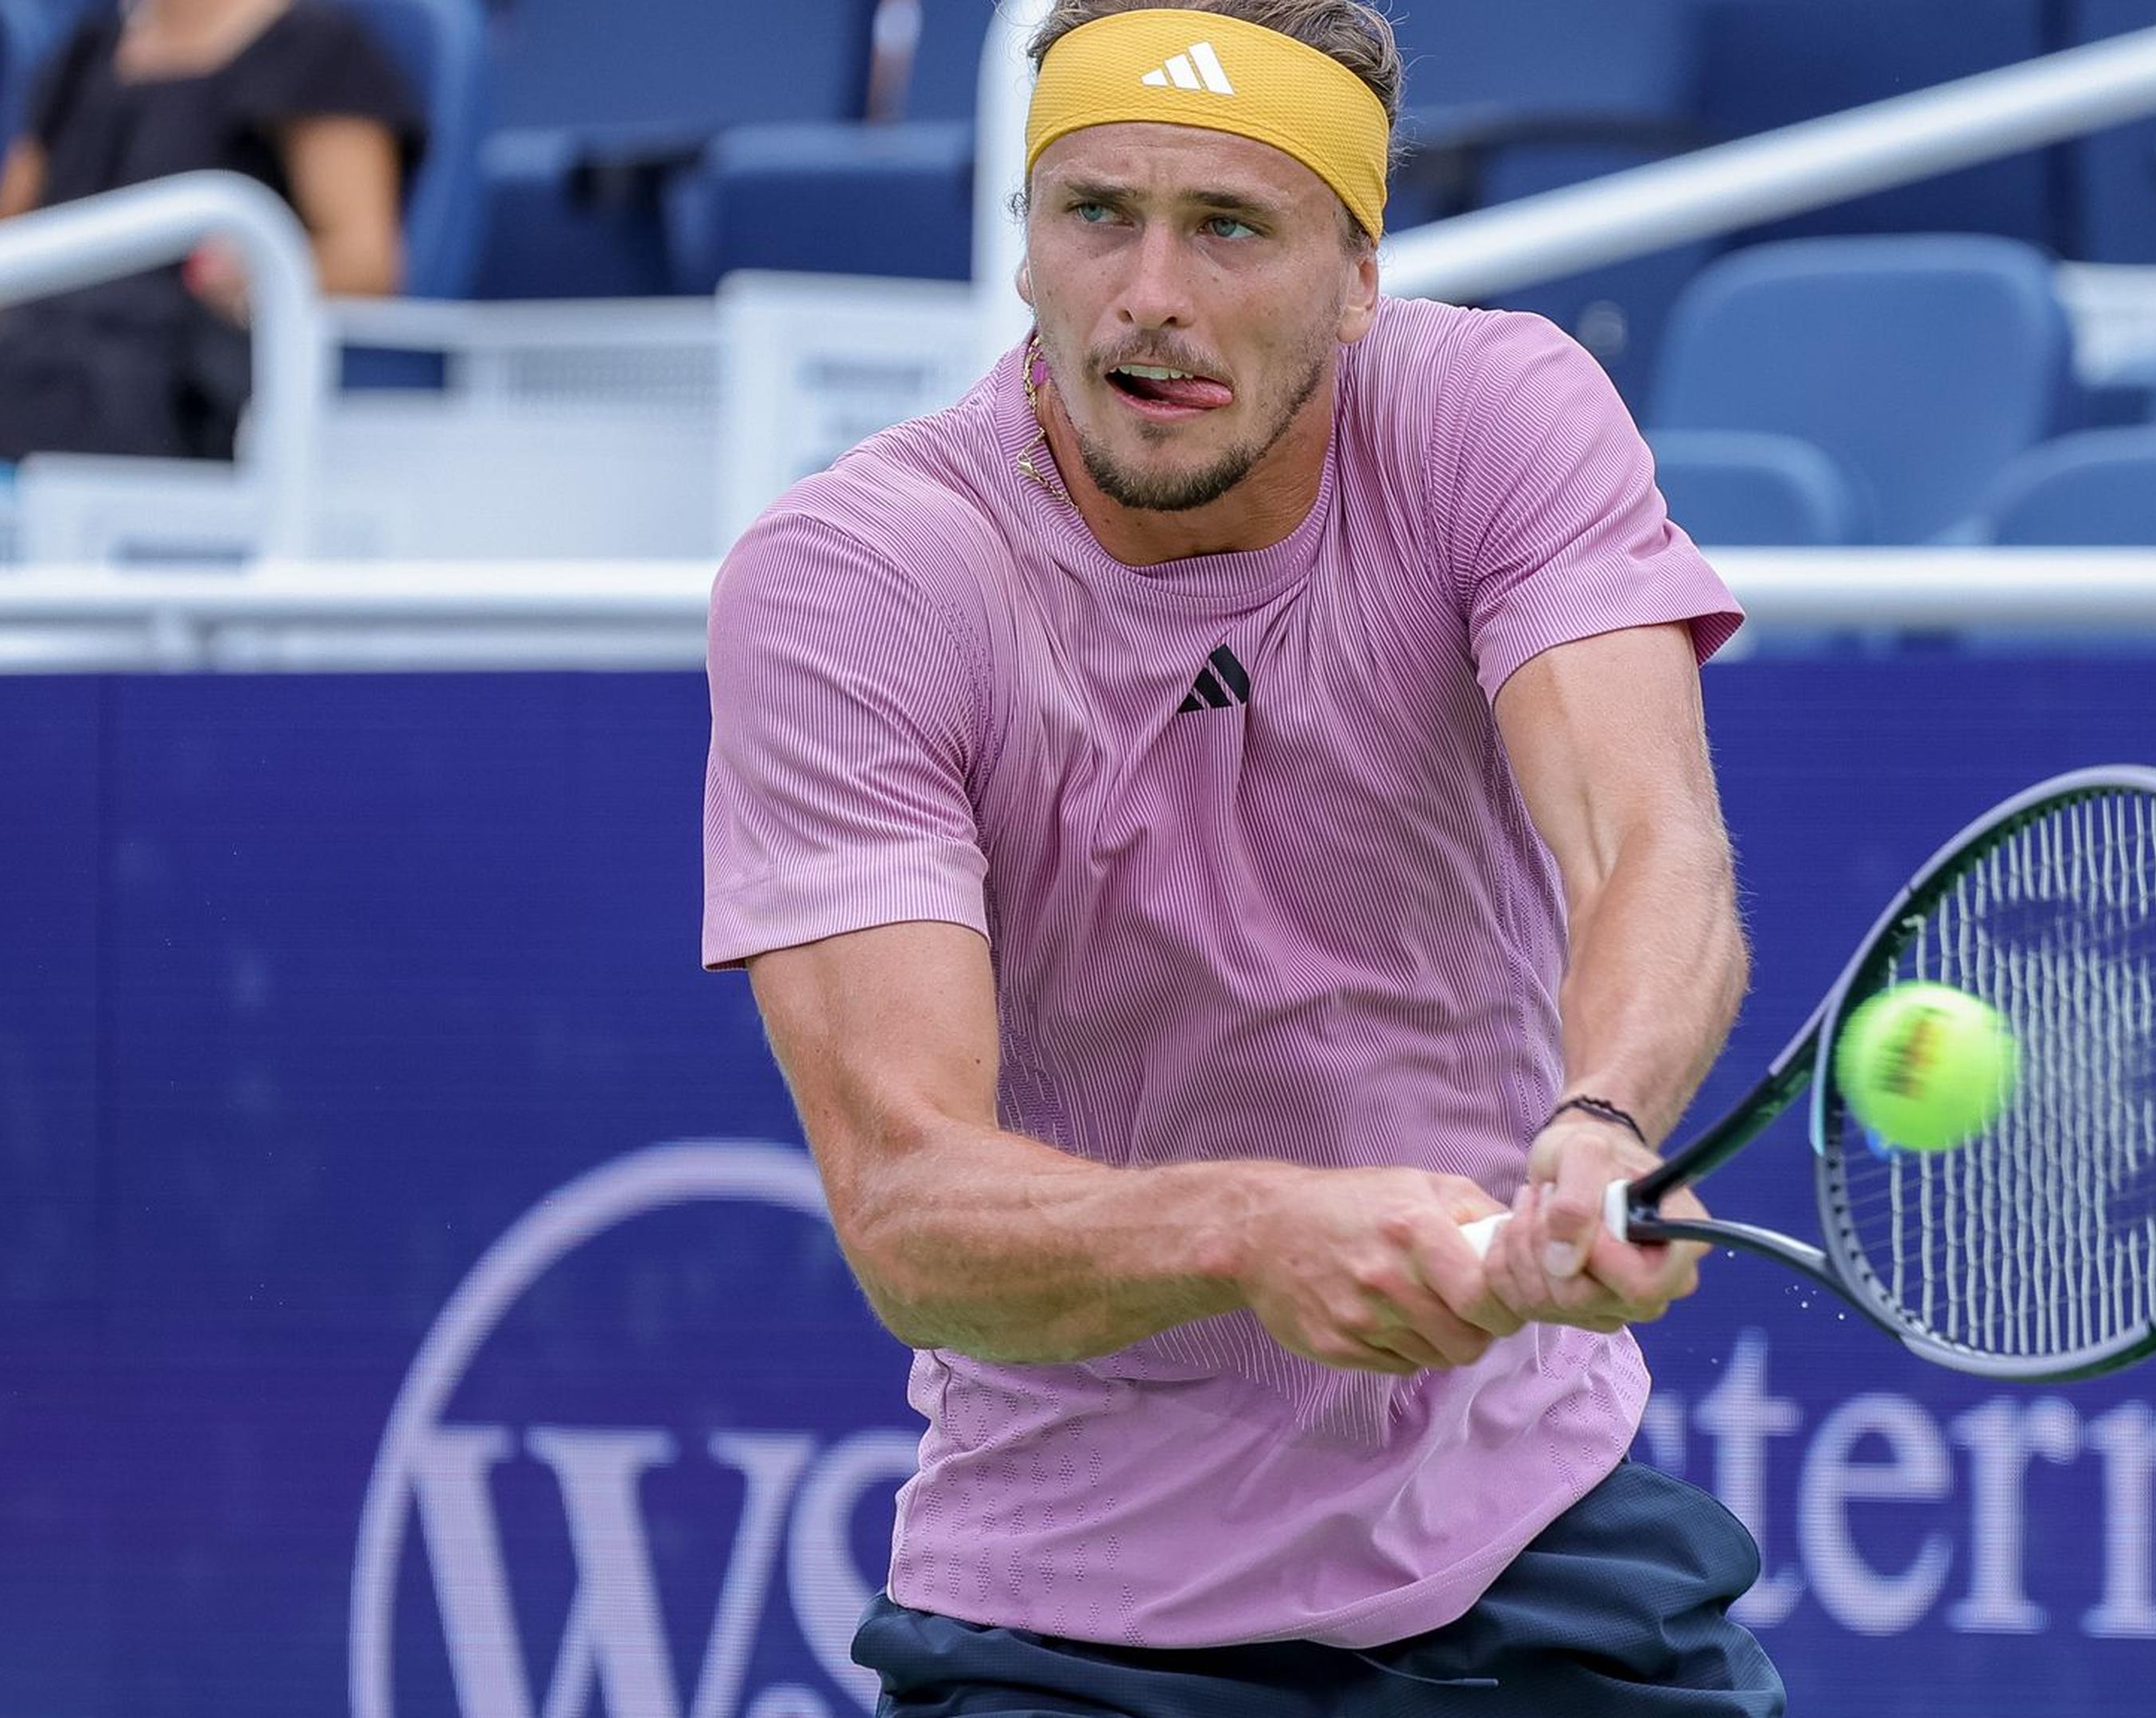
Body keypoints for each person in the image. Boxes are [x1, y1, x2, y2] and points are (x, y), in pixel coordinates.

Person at [701, 2, 1779, 1712]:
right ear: (1026, 251)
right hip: (1070, 1624)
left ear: (1358, 278)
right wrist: (1249, 1233)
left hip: (1527, 1543)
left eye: (1229, 228)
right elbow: (906, 1206)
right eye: (1097, 214)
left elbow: (1648, 843)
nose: (1150, 295)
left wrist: (1604, 1118)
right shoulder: (859, 578)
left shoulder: (1490, 414)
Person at [0, 0, 421, 481]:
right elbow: (0, 252)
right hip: (34, 343)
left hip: (166, 374)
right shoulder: (91, 49)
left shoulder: (317, 46)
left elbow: (368, 263)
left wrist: (252, 276)